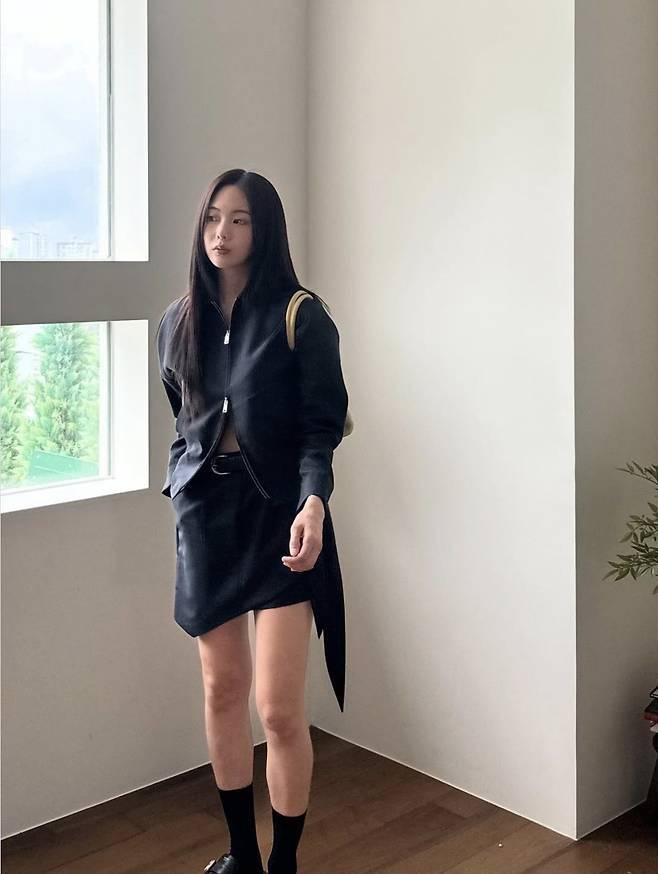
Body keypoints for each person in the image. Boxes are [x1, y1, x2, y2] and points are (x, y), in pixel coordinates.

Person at [155, 169, 350, 874]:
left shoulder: (301, 315)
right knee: (221, 691)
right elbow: (185, 418)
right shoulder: (178, 321)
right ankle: (241, 853)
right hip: (210, 516)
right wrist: (183, 486)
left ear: (264, 230)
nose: (222, 233)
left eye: (239, 220)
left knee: (279, 709)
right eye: (213, 218)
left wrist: (313, 501)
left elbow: (321, 428)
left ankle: (283, 863)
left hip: (281, 516)